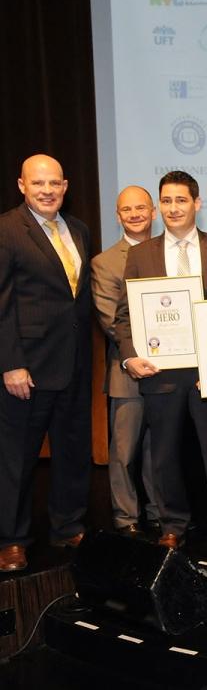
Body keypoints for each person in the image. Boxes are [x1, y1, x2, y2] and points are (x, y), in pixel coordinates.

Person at [115, 171, 207, 555]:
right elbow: (125, 316)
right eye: (167, 201)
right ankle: (172, 524)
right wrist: (128, 356)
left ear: (196, 204)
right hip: (160, 371)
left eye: (181, 201)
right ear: (159, 207)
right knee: (165, 452)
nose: (174, 208)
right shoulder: (140, 254)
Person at [0, 154, 93, 572]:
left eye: (55, 183)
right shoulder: (6, 230)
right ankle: (12, 539)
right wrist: (11, 363)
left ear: (66, 185)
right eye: (38, 184)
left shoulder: (78, 229)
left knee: (72, 451)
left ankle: (67, 525)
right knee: (16, 457)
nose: (47, 190)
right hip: (28, 369)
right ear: (22, 185)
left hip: (73, 363)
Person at [91, 185, 159, 536]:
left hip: (167, 371)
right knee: (124, 452)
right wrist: (134, 356)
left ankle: (160, 513)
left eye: (141, 208)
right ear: (117, 216)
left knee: (159, 451)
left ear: (154, 212)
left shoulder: (167, 252)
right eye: (126, 209)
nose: (134, 214)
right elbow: (108, 317)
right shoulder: (103, 262)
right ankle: (126, 519)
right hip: (127, 371)